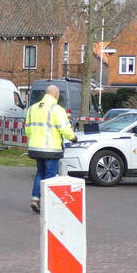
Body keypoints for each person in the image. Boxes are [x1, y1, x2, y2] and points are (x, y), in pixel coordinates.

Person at [25, 84, 77, 214]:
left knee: (40, 173)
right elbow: (64, 127)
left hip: (35, 148)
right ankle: (47, 203)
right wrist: (73, 137)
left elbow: (27, 129)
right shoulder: (56, 109)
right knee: (50, 176)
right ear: (55, 94)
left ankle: (35, 198)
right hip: (51, 148)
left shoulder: (32, 108)